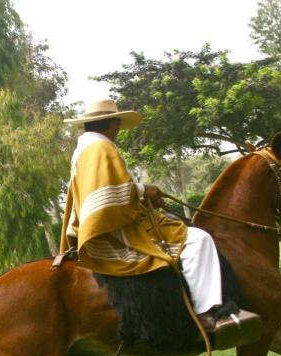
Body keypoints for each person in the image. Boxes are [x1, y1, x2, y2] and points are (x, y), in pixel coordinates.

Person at [59, 99, 259, 339]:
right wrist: (144, 191)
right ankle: (206, 313)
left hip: (110, 223)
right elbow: (110, 194)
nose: (118, 130)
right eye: (118, 124)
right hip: (117, 230)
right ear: (112, 123)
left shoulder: (84, 150)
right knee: (199, 240)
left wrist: (144, 194)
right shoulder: (101, 149)